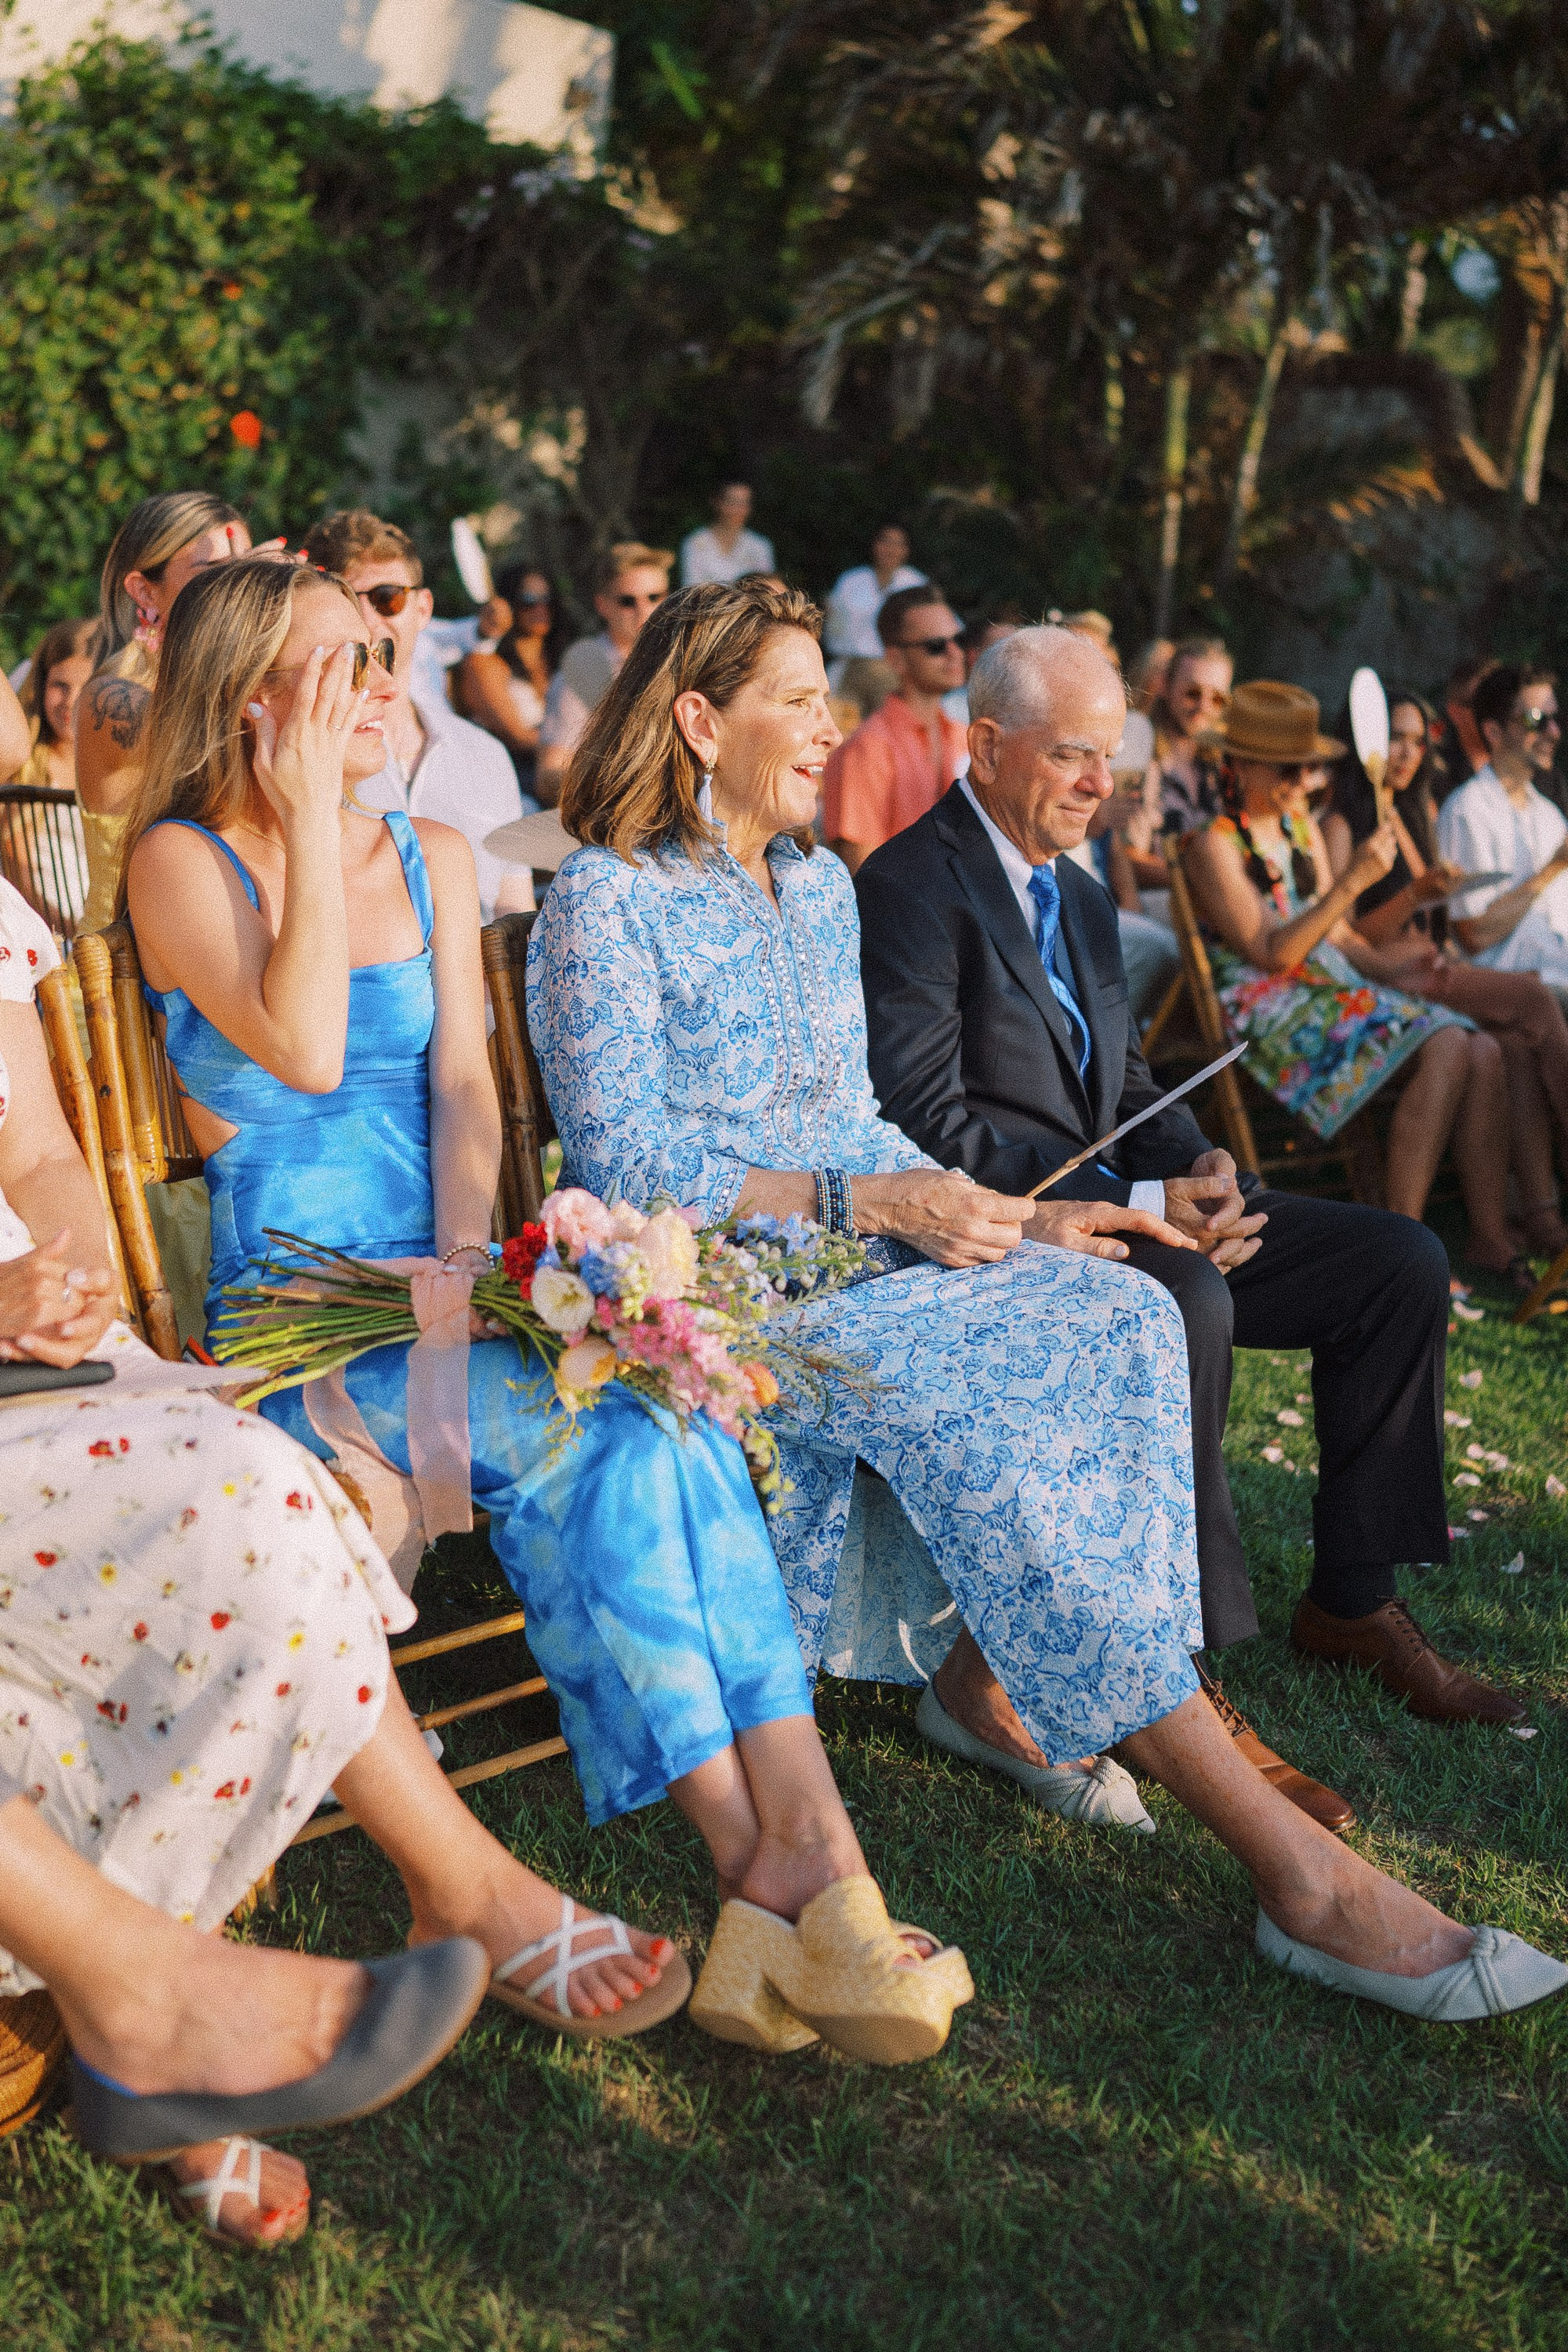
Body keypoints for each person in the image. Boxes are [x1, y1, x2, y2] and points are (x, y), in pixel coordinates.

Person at [524, 577, 1568, 2024]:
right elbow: (626, 1165)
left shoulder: (816, 888)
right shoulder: (606, 899)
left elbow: (862, 1122)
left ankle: (993, 1678)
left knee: (1128, 1306)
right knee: (1007, 1379)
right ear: (700, 720)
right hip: (732, 1286)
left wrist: (1027, 1218)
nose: (832, 727)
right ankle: (1295, 1872)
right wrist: (876, 1207)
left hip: (874, 1244)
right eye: (799, 701)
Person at [121, 555, 969, 2071]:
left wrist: (470, 1268)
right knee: (603, 1435)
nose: (385, 683)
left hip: (448, 1285)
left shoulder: (436, 854)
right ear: (252, 699)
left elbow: (461, 1083)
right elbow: (308, 1049)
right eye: (343, 665)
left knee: (672, 1413)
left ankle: (806, 1852)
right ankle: (771, 1873)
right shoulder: (184, 864)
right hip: (303, 1315)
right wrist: (304, 811)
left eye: (381, 653)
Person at [0, 869, 690, 2248]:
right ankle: (157, 2002)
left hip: (31, 1368)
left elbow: (31, 1161)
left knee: (255, 1479)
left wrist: (70, 1285)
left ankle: (458, 1882)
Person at [855, 626, 1523, 1836]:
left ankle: (1353, 1599)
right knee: (1189, 1296)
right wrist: (1144, 1206)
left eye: (1109, 757)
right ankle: (1175, 1669)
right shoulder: (908, 884)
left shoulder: (1082, 895)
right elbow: (922, 1115)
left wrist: (1202, 1167)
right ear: (987, 746)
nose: (1098, 783)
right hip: (1010, 1234)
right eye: (1071, 754)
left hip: (1132, 1207)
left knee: (1400, 1262)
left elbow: (1128, 1085)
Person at [1182, 683, 1519, 1265]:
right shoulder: (1212, 846)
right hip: (1268, 1008)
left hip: (1325, 991)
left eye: (1308, 766)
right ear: (1238, 764)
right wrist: (1352, 882)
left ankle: (1489, 1237)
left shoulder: (1299, 829)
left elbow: (1336, 937)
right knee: (1446, 1042)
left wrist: (1401, 962)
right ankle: (1403, 1249)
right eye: (1287, 767)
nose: (1301, 781)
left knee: (1482, 1048)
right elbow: (1274, 954)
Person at [1327, 688, 1568, 1278]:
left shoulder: (1420, 814)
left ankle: (1507, 1230)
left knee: (1503, 1048)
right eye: (1395, 738)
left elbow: (1444, 919)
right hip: (1389, 979)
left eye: (1418, 741)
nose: (1406, 753)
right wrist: (1415, 895)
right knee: (1534, 998)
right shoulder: (1341, 822)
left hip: (1434, 967)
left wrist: (1438, 900)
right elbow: (1345, 937)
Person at [300, 511, 534, 924]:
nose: (368, 621)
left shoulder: (485, 756)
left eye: (387, 598)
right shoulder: (307, 759)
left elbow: (513, 911)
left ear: (423, 608)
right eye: (348, 601)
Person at [74, 493, 272, 931]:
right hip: (121, 960)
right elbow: (212, 735)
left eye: (245, 569)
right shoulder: (108, 696)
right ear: (145, 590)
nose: (238, 587)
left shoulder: (240, 678)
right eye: (215, 571)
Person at [1437, 666, 1568, 1005]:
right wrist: (1553, 868)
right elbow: (1474, 937)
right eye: (1536, 720)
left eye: (1556, 719)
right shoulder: (1469, 811)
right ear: (1494, 732)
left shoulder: (1550, 816)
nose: (1553, 732)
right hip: (1512, 995)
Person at [821, 586, 968, 873]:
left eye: (959, 640)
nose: (955, 653)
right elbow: (864, 874)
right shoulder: (867, 750)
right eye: (936, 646)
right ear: (896, 659)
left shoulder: (964, 736)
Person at [535, 543, 672, 804]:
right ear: (603, 605)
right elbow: (549, 777)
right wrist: (625, 792)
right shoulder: (584, 668)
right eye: (627, 601)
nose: (643, 610)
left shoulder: (684, 658)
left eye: (655, 597)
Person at [2, 619, 96, 931]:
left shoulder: (112, 768)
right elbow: (17, 864)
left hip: (98, 924)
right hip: (46, 925)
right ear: (41, 684)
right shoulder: (28, 767)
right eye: (60, 686)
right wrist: (63, 927)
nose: (71, 701)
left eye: (86, 687)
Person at [1123, 637, 1235, 889]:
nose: (1204, 707)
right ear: (1165, 685)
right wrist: (1204, 882)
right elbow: (1125, 859)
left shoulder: (1223, 768)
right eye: (1192, 693)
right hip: (1158, 899)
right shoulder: (1139, 756)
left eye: (1217, 699)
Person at [456, 564, 562, 795]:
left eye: (547, 599)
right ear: (509, 604)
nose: (540, 608)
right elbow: (517, 737)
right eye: (529, 600)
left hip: (558, 766)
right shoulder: (484, 663)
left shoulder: (560, 658)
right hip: (511, 777)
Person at [822, 524, 927, 699]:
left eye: (898, 544)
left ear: (906, 550)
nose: (891, 549)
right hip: (851, 666)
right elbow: (834, 629)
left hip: (894, 670)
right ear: (875, 545)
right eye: (885, 542)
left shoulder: (917, 584)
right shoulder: (851, 580)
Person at [681, 482, 775, 587]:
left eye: (744, 503)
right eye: (732, 502)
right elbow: (691, 588)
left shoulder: (760, 545)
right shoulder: (695, 542)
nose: (738, 510)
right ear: (717, 503)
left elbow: (766, 587)